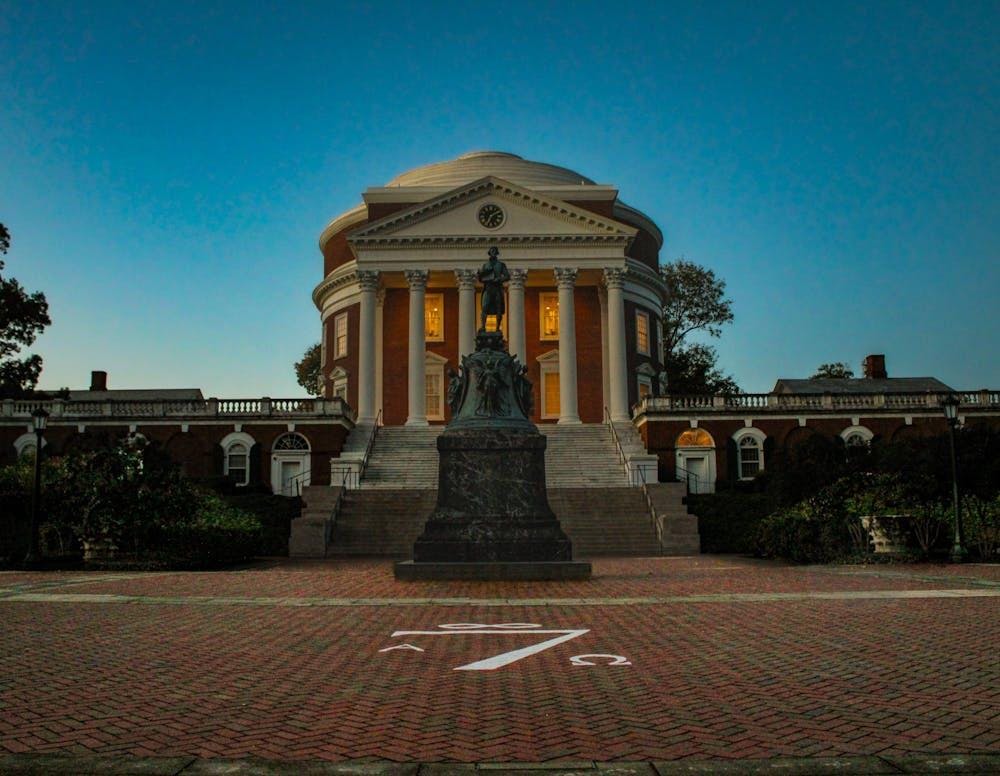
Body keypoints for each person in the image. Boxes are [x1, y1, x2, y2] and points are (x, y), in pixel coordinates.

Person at [478, 246, 510, 332]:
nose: (493, 252)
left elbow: (507, 276)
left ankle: (497, 328)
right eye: (491, 251)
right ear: (489, 253)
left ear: (497, 253)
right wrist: (480, 276)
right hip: (488, 288)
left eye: (494, 251)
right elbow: (481, 278)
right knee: (484, 307)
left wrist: (499, 279)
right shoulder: (485, 265)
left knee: (498, 308)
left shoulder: (501, 265)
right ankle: (483, 327)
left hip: (497, 288)